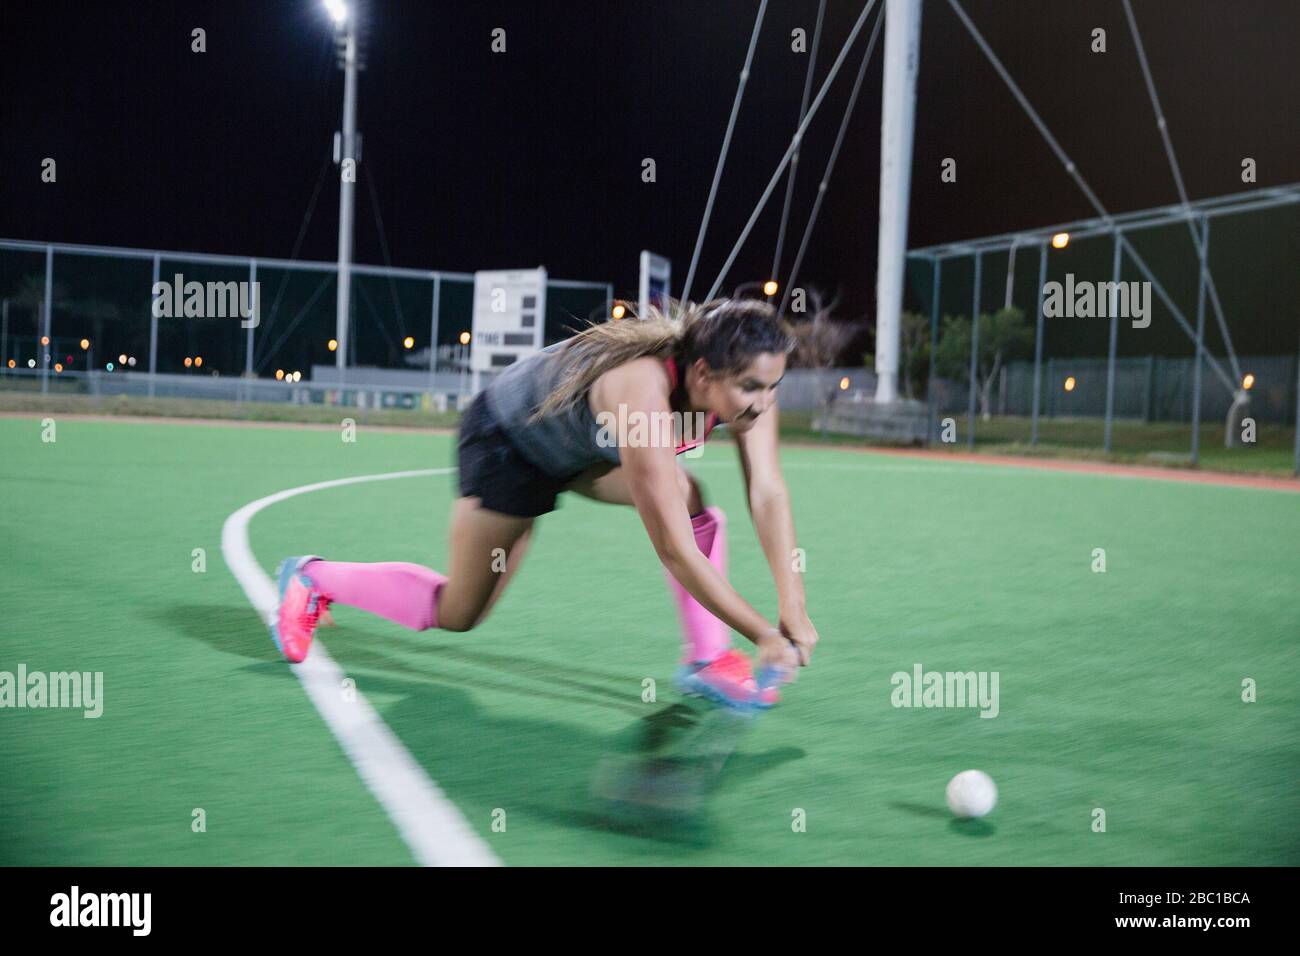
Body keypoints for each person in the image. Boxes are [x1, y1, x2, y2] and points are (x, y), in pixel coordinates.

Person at [270, 298, 818, 709]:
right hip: (508, 444)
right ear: (702, 374)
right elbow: (675, 549)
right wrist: (764, 635)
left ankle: (706, 659)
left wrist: (791, 604)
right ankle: (313, 578)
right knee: (459, 612)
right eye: (752, 388)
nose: (764, 404)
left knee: (687, 493)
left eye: (773, 387)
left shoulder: (745, 395)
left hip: (581, 455)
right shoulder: (642, 394)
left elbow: (767, 491)